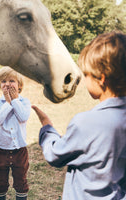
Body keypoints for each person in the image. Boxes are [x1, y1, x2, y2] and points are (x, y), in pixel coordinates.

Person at [32, 31, 126, 200]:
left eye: (87, 75)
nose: (84, 80)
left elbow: (55, 155)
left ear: (101, 79)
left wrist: (47, 128)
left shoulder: (86, 123)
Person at [0, 66, 31, 200]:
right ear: (0, 86)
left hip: (19, 150)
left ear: (19, 86)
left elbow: (23, 116)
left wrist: (14, 101)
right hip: (1, 149)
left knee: (21, 182)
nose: (7, 84)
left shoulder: (24, 102)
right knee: (0, 183)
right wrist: (7, 103)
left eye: (12, 81)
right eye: (3, 81)